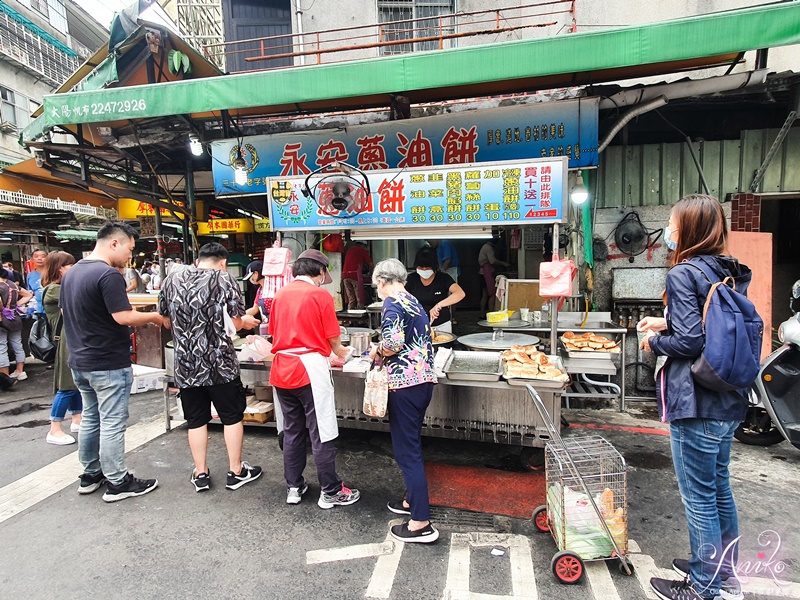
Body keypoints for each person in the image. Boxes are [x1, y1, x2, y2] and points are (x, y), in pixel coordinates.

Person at [640, 195, 748, 600]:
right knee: (719, 488)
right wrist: (666, 319)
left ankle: (704, 586)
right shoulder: (729, 270)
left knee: (699, 497)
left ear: (687, 229)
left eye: (671, 223)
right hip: (729, 397)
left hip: (696, 401)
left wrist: (654, 340)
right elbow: (714, 325)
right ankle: (725, 572)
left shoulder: (684, 273)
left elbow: (689, 340)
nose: (668, 230)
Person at [61, 222, 165, 502]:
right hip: (106, 362)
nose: (130, 256)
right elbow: (123, 316)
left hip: (81, 361)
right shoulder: (107, 274)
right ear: (114, 243)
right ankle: (118, 481)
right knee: (112, 423)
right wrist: (155, 317)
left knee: (92, 419)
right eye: (130, 248)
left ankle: (91, 474)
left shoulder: (73, 273)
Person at [159, 243, 262, 493]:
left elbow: (164, 320)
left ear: (198, 259)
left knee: (195, 419)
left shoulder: (171, 279)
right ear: (223, 262)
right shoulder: (223, 279)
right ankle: (236, 471)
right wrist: (244, 321)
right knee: (231, 416)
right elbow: (237, 323)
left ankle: (201, 472)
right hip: (220, 364)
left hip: (186, 363)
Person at [268, 249, 360, 508]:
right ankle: (330, 490)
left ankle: (294, 487)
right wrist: (344, 352)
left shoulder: (280, 294)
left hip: (281, 369)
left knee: (292, 430)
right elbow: (333, 339)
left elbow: (274, 333)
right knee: (321, 430)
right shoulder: (320, 295)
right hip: (308, 369)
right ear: (319, 271)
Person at [369, 258, 439, 544]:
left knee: (406, 452)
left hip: (405, 386)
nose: (378, 290)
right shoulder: (412, 300)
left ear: (383, 281)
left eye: (376, 285)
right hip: (423, 382)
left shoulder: (392, 303)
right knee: (412, 444)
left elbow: (394, 343)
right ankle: (411, 500)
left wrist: (377, 353)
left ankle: (421, 522)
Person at [42, 251, 82, 445]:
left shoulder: (60, 287)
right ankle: (54, 428)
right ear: (59, 268)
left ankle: (77, 418)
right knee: (66, 385)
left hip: (71, 337)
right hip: (66, 340)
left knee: (74, 383)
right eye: (69, 265)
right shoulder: (54, 290)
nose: (73, 268)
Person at [405, 247, 465, 334]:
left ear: (434, 266)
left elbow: (460, 293)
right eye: (421, 267)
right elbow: (400, 296)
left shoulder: (443, 278)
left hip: (442, 326)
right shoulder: (411, 279)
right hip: (417, 325)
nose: (424, 269)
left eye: (427, 267)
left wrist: (438, 305)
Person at [0, 266, 32, 381]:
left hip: (2, 318)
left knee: (1, 346)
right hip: (15, 317)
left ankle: (5, 376)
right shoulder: (12, 284)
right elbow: (28, 294)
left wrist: (3, 309)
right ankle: (20, 371)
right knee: (17, 344)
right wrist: (16, 304)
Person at [478, 236, 509, 313]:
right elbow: (492, 261)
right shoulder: (489, 248)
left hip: (482, 274)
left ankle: (482, 314)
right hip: (486, 273)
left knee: (485, 295)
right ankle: (491, 312)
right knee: (492, 294)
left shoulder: (485, 246)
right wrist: (504, 264)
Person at [341, 241, 372, 310]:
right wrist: (371, 274)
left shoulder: (350, 250)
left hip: (345, 276)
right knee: (360, 299)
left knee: (351, 299)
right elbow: (371, 264)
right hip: (355, 276)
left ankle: (351, 319)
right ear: (363, 245)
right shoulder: (362, 250)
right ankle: (359, 318)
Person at [243, 260, 266, 324]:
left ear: (256, 274)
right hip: (265, 324)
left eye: (250, 277)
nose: (250, 280)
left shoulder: (273, 287)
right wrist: (239, 317)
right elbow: (254, 309)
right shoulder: (260, 290)